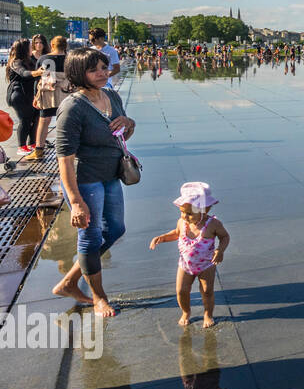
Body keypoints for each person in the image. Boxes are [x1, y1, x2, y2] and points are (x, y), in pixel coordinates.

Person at [50, 48, 137, 318]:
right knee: (90, 236)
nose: (102, 73)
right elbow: (64, 158)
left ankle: (69, 281)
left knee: (116, 229)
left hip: (111, 173)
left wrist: (129, 122)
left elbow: (124, 133)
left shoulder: (111, 95)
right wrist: (75, 202)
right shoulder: (72, 108)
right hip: (85, 179)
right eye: (94, 69)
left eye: (104, 66)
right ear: (78, 73)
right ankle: (99, 297)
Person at [150, 183, 230, 328]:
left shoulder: (213, 224)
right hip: (185, 265)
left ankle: (208, 314)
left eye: (189, 213)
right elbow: (175, 233)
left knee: (207, 291)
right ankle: (186, 312)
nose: (185, 216)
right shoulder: (182, 222)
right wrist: (162, 237)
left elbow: (225, 237)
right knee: (181, 291)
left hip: (206, 265)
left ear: (204, 210)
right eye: (182, 212)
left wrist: (220, 250)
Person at [32, 35, 72, 160]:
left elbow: (38, 78)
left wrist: (35, 96)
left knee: (44, 121)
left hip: (48, 93)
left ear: (52, 45)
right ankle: (69, 149)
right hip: (66, 93)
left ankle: (39, 150)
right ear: (65, 46)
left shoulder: (44, 58)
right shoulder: (70, 59)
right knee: (68, 121)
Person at [6, 39, 41, 155]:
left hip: (29, 95)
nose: (32, 48)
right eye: (30, 47)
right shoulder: (16, 62)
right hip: (18, 96)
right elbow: (24, 73)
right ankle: (21, 146)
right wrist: (37, 72)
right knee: (25, 120)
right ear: (24, 49)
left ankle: (32, 143)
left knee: (35, 118)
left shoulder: (29, 60)